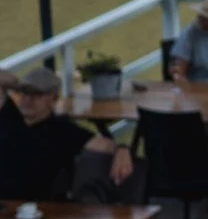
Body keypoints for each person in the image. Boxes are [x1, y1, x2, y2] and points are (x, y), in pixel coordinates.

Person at [0, 67, 135, 204]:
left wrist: (122, 149)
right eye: (24, 93)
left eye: (37, 95)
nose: (27, 100)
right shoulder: (9, 117)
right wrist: (17, 83)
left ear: (53, 98)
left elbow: (103, 144)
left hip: (32, 208)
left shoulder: (62, 130)